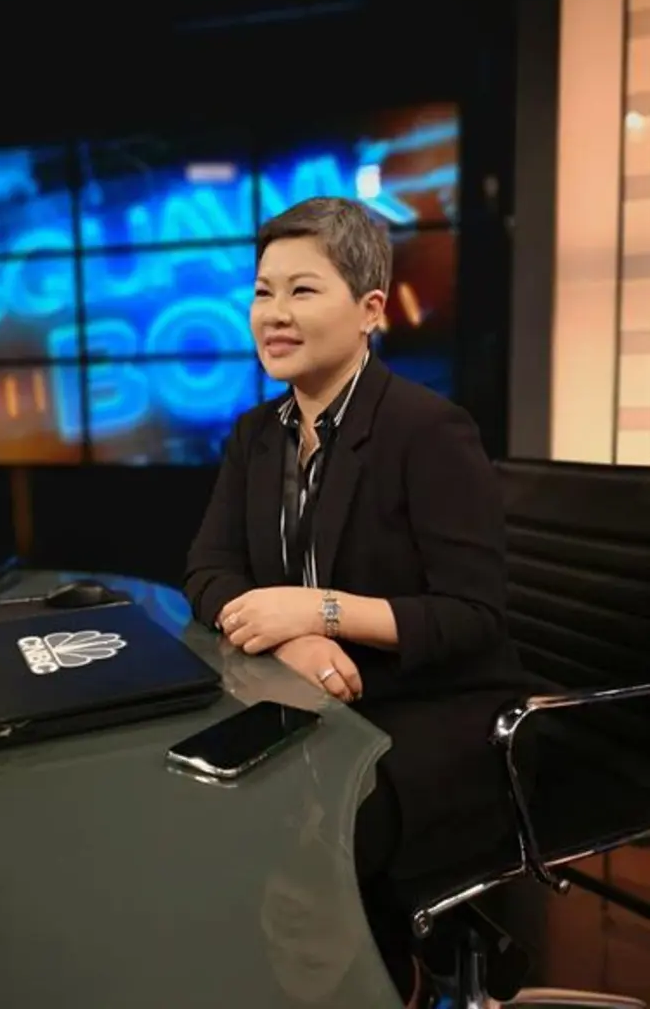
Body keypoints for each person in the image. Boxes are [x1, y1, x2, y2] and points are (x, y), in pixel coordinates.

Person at [183, 196, 532, 1004]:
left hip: (434, 707)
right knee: (198, 793)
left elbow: (474, 616)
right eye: (263, 291)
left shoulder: (429, 430)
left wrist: (319, 611)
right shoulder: (255, 435)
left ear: (371, 309)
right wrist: (291, 640)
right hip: (308, 695)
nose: (274, 313)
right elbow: (207, 572)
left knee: (317, 823)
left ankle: (372, 976)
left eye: (302, 290)